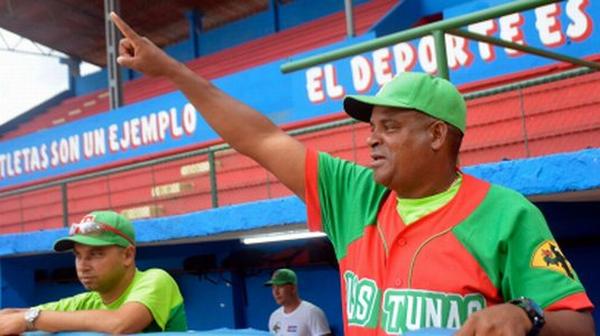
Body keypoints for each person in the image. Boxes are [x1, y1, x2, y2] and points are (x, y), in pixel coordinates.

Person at [109, 12, 595, 335]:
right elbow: (260, 138)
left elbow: (577, 323)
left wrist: (526, 315)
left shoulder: (505, 213)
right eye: (371, 126)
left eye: (390, 126)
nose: (372, 137)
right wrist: (172, 70)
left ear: (437, 136)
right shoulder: (355, 195)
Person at [0, 210, 187, 334]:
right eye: (78, 255)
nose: (83, 265)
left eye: (96, 254)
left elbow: (120, 323)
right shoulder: (90, 301)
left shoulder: (155, 279)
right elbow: (13, 313)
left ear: (128, 255)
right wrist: (18, 317)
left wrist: (30, 320)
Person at [265, 268, 332, 336]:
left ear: (293, 288)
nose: (276, 292)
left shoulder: (312, 313)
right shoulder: (274, 316)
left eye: (280, 287)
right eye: (273, 287)